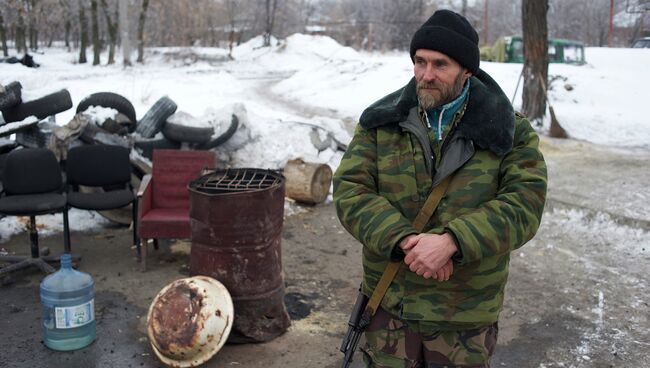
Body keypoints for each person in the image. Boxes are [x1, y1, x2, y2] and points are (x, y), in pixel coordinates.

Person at [333, 9, 548, 368]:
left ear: (467, 70)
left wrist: (452, 241)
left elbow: (525, 203)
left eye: (440, 64)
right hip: (390, 305)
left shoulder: (509, 131)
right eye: (419, 62)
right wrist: (404, 240)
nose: (426, 75)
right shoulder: (381, 122)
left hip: (464, 313)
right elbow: (349, 190)